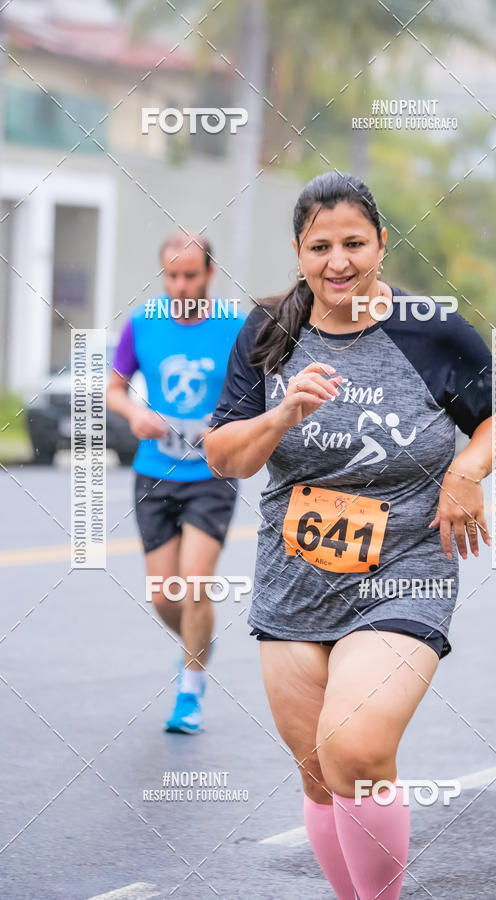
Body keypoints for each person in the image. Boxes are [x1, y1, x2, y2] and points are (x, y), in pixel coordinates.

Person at [204, 172, 493, 898]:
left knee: (356, 753)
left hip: (405, 567)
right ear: (299, 252)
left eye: (354, 243)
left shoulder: (433, 329)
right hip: (295, 576)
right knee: (319, 771)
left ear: (382, 243)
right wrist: (281, 416)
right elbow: (226, 457)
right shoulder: (268, 331)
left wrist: (466, 470)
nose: (339, 261)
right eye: (320, 246)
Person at [106, 234, 245, 734]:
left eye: (191, 275)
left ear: (209, 274)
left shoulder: (235, 325)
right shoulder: (143, 324)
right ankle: (198, 642)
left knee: (195, 582)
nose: (181, 285)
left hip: (212, 473)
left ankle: (190, 690)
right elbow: (114, 390)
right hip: (154, 472)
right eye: (172, 275)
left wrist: (226, 422)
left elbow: (259, 390)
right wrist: (135, 413)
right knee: (166, 595)